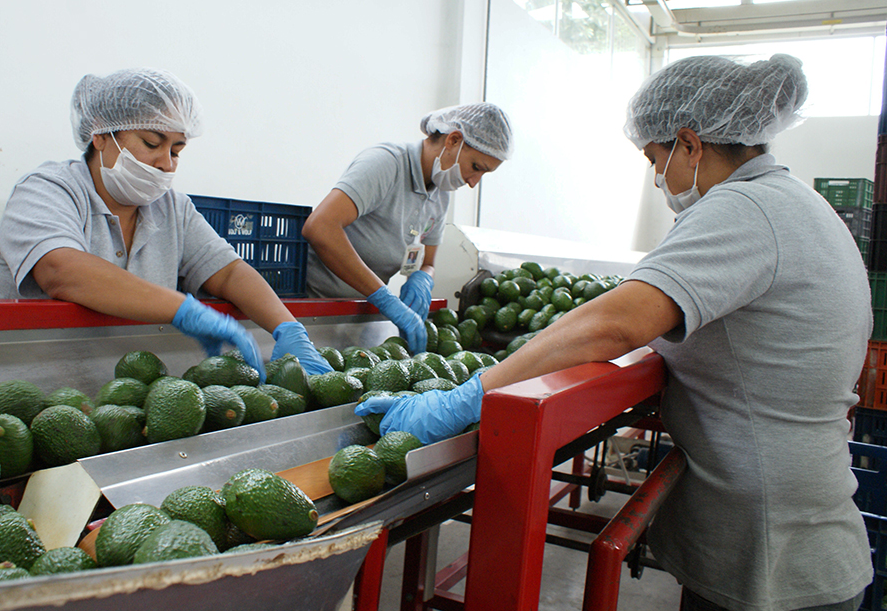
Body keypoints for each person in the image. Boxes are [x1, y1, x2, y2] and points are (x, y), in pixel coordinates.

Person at [357, 54, 872, 611]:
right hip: (788, 524)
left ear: (690, 144)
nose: (657, 177)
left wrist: (470, 395)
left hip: (770, 550)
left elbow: (615, 323)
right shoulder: (793, 203)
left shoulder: (746, 208)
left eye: (656, 159)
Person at [0, 68, 333, 379]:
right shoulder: (47, 189)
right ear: (101, 135)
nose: (166, 164)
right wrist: (184, 309)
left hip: (135, 393)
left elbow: (228, 272)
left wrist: (288, 329)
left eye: (177, 150)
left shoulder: (171, 208)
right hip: (33, 387)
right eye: (152, 143)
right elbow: (61, 270)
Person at [302, 103, 513, 353]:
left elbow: (428, 261)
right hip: (314, 314)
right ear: (454, 140)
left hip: (362, 318)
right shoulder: (386, 164)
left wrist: (422, 278)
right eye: (476, 167)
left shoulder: (440, 191)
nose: (472, 182)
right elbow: (319, 227)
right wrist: (384, 297)